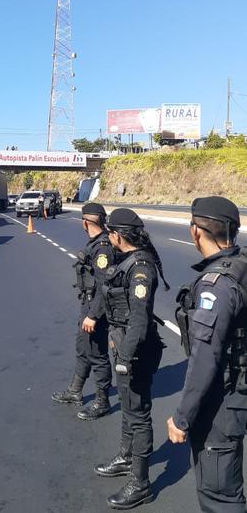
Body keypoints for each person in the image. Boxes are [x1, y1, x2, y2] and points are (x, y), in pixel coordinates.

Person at [168, 196, 246, 512]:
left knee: (220, 496)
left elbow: (205, 357)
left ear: (196, 231)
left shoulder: (216, 285)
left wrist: (182, 417)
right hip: (239, 386)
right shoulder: (241, 265)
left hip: (223, 401)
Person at [96, 208, 168, 510]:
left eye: (109, 232)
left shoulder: (140, 269)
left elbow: (138, 319)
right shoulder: (126, 261)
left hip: (136, 350)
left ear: (117, 235)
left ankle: (141, 483)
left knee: (138, 415)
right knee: (128, 407)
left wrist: (125, 357)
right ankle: (127, 457)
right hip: (125, 345)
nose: (107, 237)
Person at [52, 203, 114, 419]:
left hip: (97, 309)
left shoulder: (103, 248)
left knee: (97, 354)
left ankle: (102, 401)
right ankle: (75, 391)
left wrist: (93, 316)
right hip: (88, 305)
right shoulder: (97, 243)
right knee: (83, 348)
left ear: (86, 222)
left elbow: (104, 286)